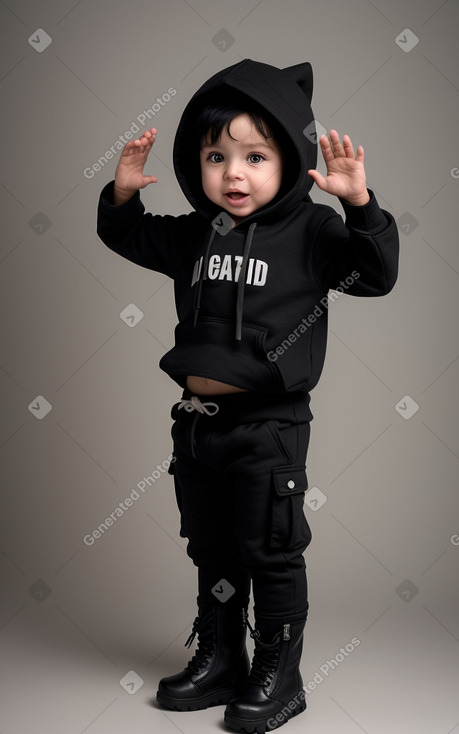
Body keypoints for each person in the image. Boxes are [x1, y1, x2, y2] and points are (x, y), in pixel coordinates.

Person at [96, 58, 399, 732]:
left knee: (269, 548)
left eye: (255, 155)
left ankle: (278, 671)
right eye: (215, 156)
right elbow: (124, 234)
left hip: (269, 426)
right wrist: (119, 196)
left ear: (289, 158)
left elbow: (375, 277)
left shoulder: (314, 233)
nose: (233, 174)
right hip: (198, 426)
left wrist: (358, 205)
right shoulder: (195, 233)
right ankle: (220, 657)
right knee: (213, 549)